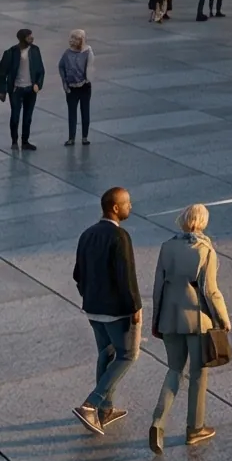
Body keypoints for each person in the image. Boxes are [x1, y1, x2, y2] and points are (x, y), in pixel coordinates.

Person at [148, 204, 229, 452]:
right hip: (197, 319)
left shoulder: (167, 247)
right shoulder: (205, 250)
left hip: (169, 318)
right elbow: (209, 290)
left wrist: (156, 321)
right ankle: (194, 428)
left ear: (182, 220)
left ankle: (158, 423)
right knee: (197, 373)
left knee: (173, 370)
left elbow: (157, 288)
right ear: (203, 222)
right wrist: (223, 318)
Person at [72, 186, 141, 434]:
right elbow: (127, 276)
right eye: (127, 203)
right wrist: (135, 306)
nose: (130, 206)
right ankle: (91, 404)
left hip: (92, 308)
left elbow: (77, 274)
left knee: (106, 353)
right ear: (115, 208)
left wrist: (88, 295)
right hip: (116, 311)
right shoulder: (120, 237)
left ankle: (106, 409)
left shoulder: (87, 234)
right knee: (127, 355)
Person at [0, 25, 44, 149]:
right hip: (16, 89)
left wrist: (38, 84)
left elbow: (40, 70)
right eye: (29, 37)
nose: (32, 38)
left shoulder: (35, 50)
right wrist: (3, 90)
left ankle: (25, 141)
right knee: (15, 116)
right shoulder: (11, 52)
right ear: (22, 38)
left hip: (31, 89)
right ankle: (14, 141)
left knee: (28, 117)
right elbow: (1, 72)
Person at [58, 29, 94, 143]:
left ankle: (84, 137)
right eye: (71, 38)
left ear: (81, 40)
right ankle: (71, 138)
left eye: (76, 38)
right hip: (71, 87)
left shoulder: (87, 51)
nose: (72, 41)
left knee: (85, 111)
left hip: (84, 86)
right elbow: (61, 66)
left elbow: (90, 66)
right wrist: (64, 82)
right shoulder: (67, 53)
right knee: (72, 113)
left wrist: (88, 79)